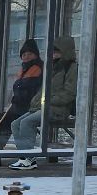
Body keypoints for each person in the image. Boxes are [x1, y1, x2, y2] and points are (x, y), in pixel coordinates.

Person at [8, 37, 74, 170]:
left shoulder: (70, 68)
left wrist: (49, 101)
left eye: (57, 52)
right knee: (15, 124)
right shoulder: (52, 68)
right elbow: (42, 90)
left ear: (65, 52)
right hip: (43, 107)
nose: (54, 54)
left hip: (58, 109)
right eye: (53, 52)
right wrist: (36, 102)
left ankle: (29, 158)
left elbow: (69, 92)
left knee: (27, 122)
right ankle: (24, 157)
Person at [0, 40, 44, 164]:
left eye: (29, 54)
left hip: (29, 107)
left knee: (4, 123)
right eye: (24, 54)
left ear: (36, 55)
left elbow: (33, 90)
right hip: (19, 106)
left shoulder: (37, 69)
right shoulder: (24, 69)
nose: (26, 57)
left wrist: (20, 97)